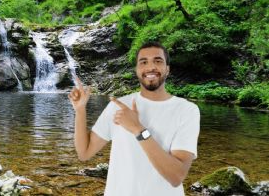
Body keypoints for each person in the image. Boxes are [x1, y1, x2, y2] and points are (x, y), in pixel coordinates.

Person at [68, 41, 200, 196]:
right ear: (137, 70)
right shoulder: (118, 105)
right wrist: (80, 110)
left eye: (158, 61)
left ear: (167, 69)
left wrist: (138, 129)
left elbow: (176, 176)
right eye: (143, 62)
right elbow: (84, 153)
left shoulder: (186, 110)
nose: (150, 67)